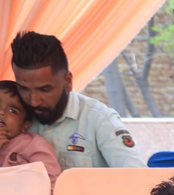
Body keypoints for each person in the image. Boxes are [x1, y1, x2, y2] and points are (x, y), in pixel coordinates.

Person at [10, 31, 146, 169]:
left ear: (68, 81)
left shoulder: (100, 121)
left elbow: (136, 176)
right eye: (24, 89)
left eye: (45, 90)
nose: (33, 101)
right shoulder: (11, 117)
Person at [0, 79, 60, 188]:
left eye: (12, 111)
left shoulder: (32, 145)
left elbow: (50, 180)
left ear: (25, 125)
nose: (2, 112)